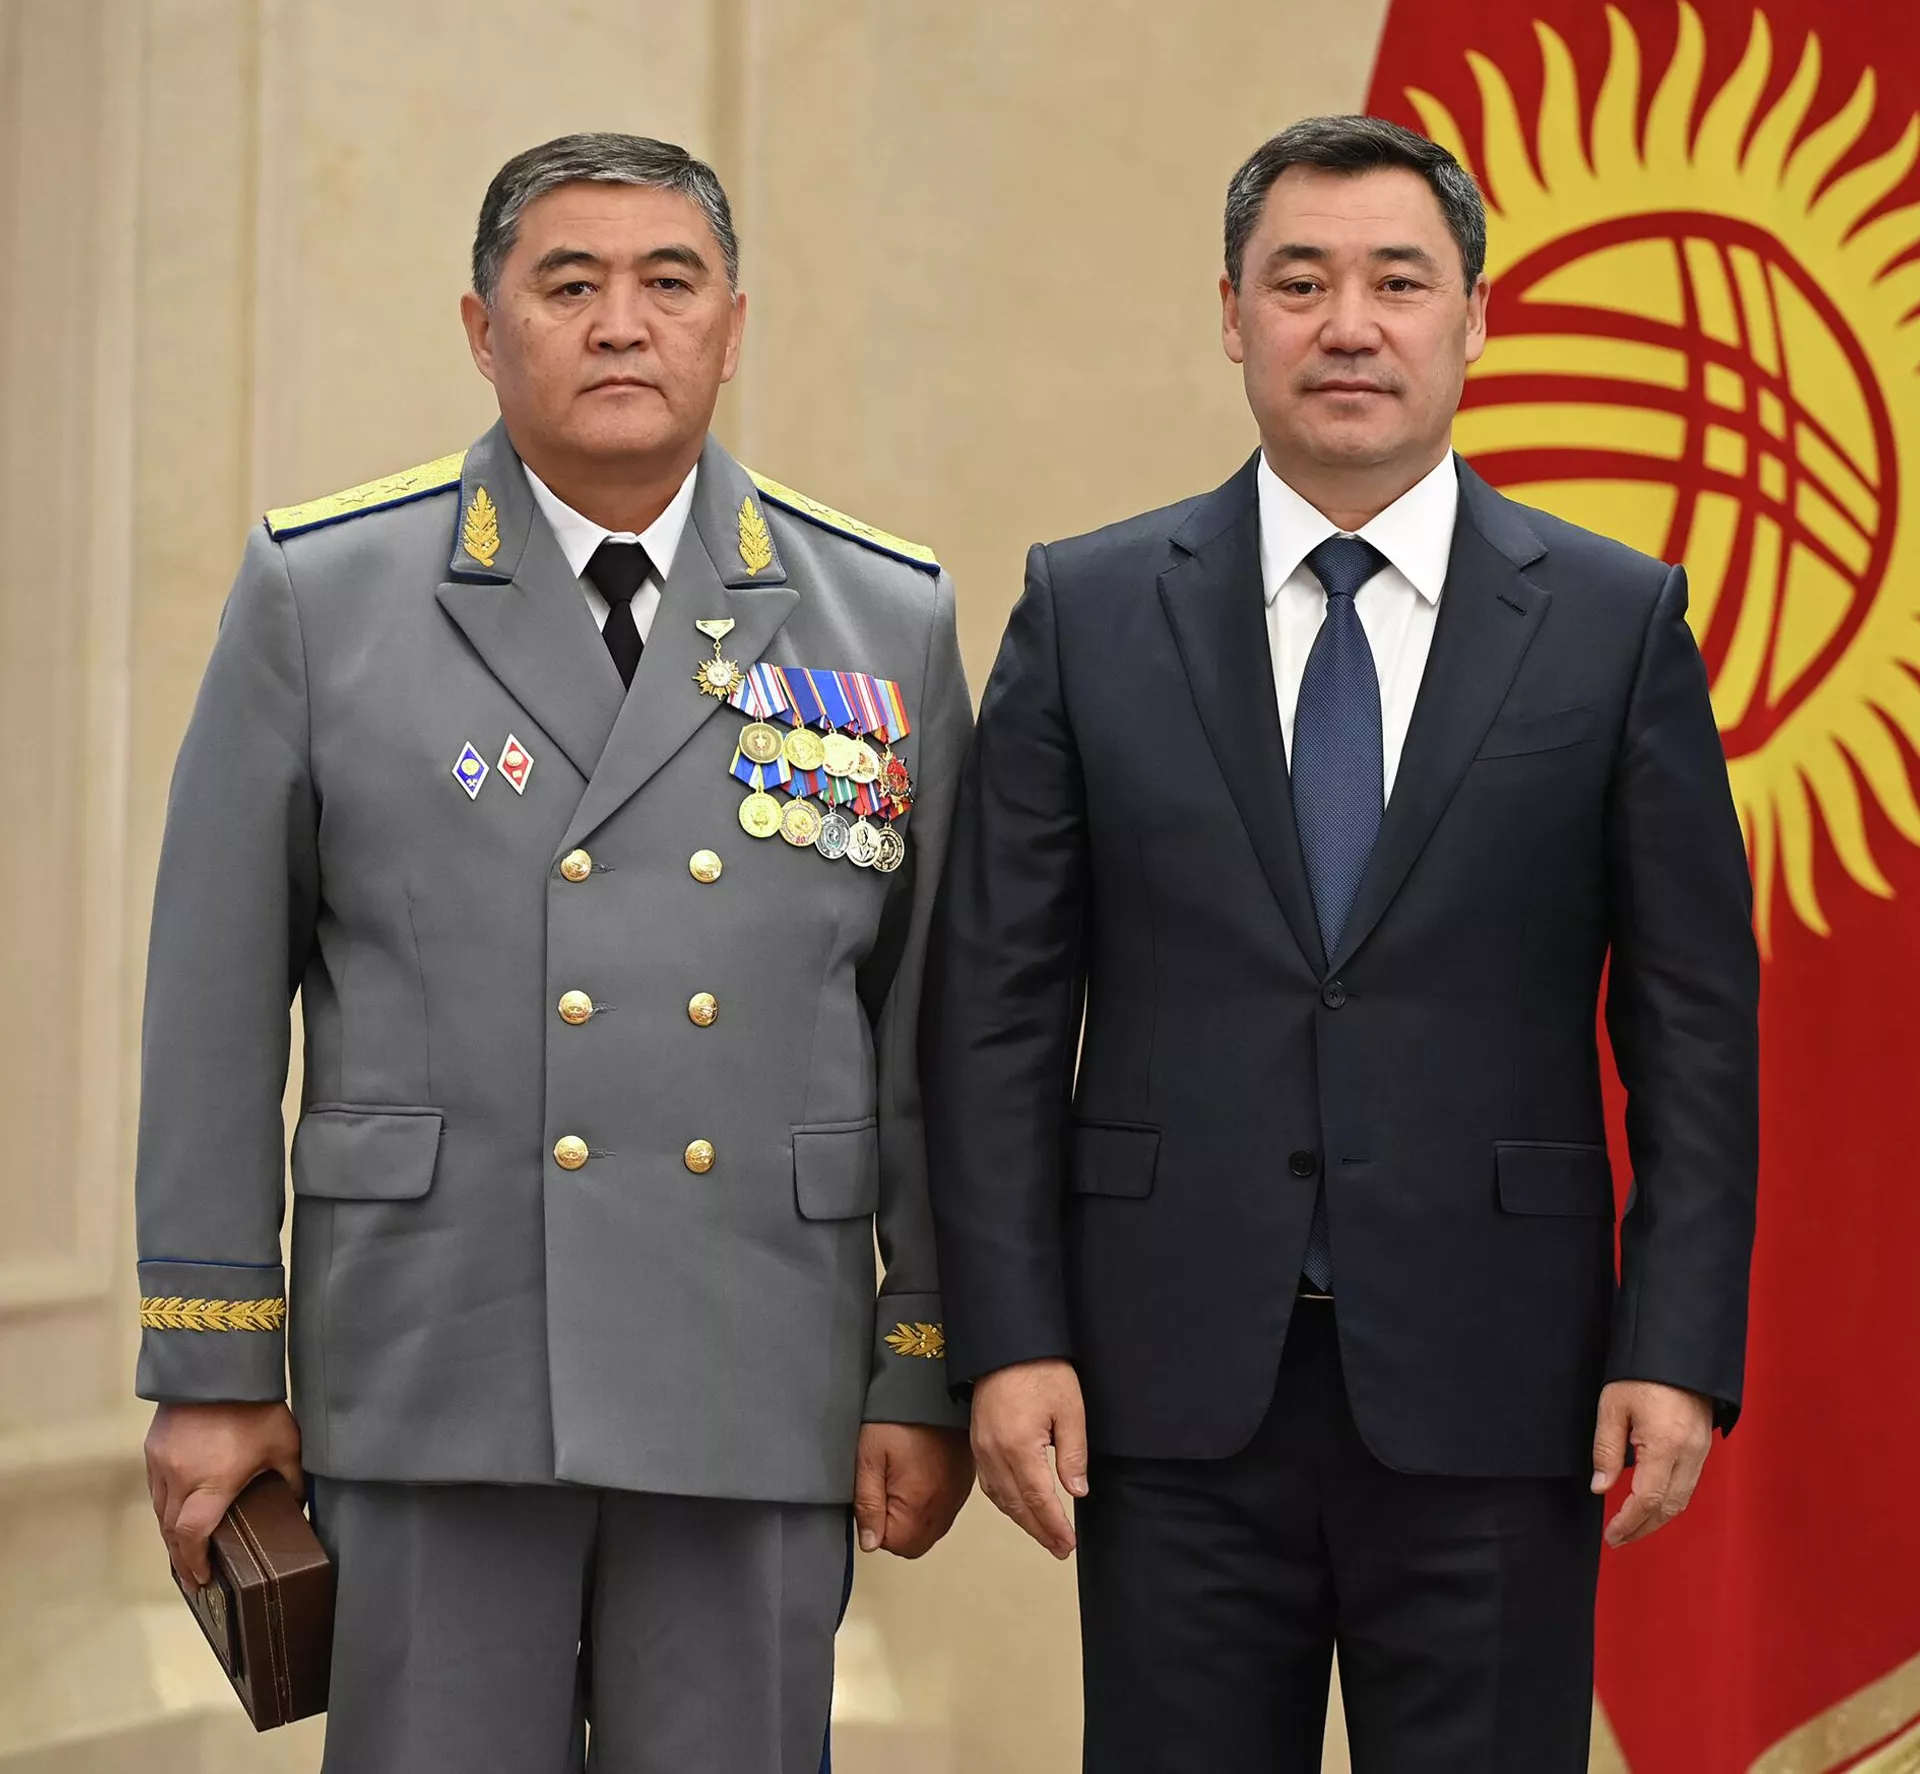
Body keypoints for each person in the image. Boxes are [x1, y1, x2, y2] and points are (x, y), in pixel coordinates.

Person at [922, 114, 1759, 1772]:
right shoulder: (1090, 610)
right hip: (1167, 1383)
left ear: (1476, 316)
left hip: (1500, 1379)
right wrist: (1007, 1336)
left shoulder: (1614, 623)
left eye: (1399, 281)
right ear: (1233, 316)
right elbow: (996, 1011)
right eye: (1300, 282)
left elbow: (1696, 1031)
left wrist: (1674, 1347)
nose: (1350, 324)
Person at [135, 132, 974, 1774]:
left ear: (734, 326)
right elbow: (214, 1002)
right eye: (568, 283)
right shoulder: (325, 592)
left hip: (753, 1360)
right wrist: (215, 1359)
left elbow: (929, 1032)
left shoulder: (885, 614)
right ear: (481, 327)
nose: (621, 322)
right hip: (435, 1355)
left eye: (670, 282)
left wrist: (923, 1355)